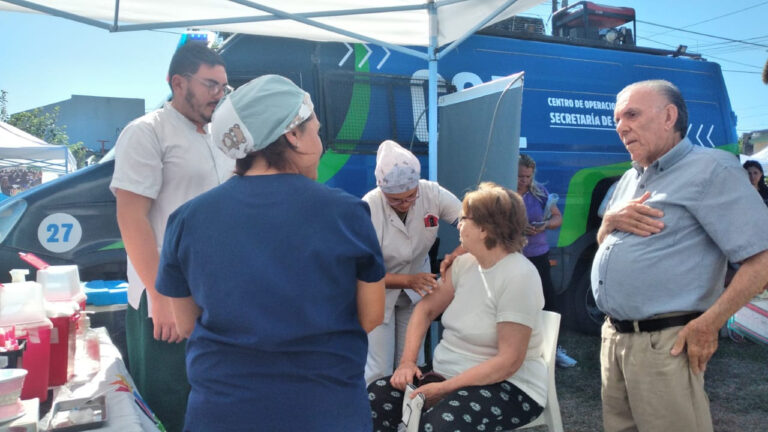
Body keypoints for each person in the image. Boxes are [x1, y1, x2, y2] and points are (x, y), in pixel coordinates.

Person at [155, 75, 386, 431]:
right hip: (325, 411)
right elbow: (370, 315)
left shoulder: (186, 219)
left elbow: (187, 324)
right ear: (293, 134)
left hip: (221, 414)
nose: (320, 143)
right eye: (316, 131)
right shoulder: (347, 213)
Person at [592, 79, 768, 432]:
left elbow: (762, 260)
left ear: (669, 116)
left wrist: (709, 324)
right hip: (614, 338)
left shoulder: (712, 169)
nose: (621, 127)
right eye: (617, 119)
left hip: (667, 344)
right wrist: (608, 222)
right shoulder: (628, 179)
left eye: (631, 115)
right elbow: (605, 244)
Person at [109, 43, 235, 432]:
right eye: (211, 85)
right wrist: (159, 295)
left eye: (224, 86)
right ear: (178, 83)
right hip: (166, 296)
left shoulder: (220, 135)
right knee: (170, 402)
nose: (219, 94)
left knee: (214, 397)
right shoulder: (147, 132)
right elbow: (131, 217)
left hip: (216, 291)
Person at [369, 182, 547, 432]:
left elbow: (509, 361)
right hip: (448, 374)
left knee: (439, 424)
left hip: (510, 385)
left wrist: (444, 389)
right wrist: (407, 362)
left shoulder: (519, 275)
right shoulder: (464, 264)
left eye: (464, 219)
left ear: (484, 229)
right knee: (376, 397)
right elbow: (425, 310)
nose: (459, 225)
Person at [362, 140, 462, 384]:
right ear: (382, 190)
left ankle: (409, 409)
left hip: (417, 291)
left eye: (410, 196)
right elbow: (361, 271)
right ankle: (376, 408)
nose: (405, 204)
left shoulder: (432, 193)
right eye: (395, 200)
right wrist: (407, 280)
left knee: (411, 362)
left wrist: (456, 254)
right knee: (379, 368)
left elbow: (472, 222)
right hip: (378, 291)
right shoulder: (369, 206)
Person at [517, 153, 576, 368]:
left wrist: (545, 225)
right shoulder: (505, 192)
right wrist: (518, 228)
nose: (524, 181)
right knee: (517, 303)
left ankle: (553, 349)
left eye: (528, 176)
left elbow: (557, 218)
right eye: (521, 176)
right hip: (514, 255)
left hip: (538, 254)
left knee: (548, 302)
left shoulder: (540, 192)